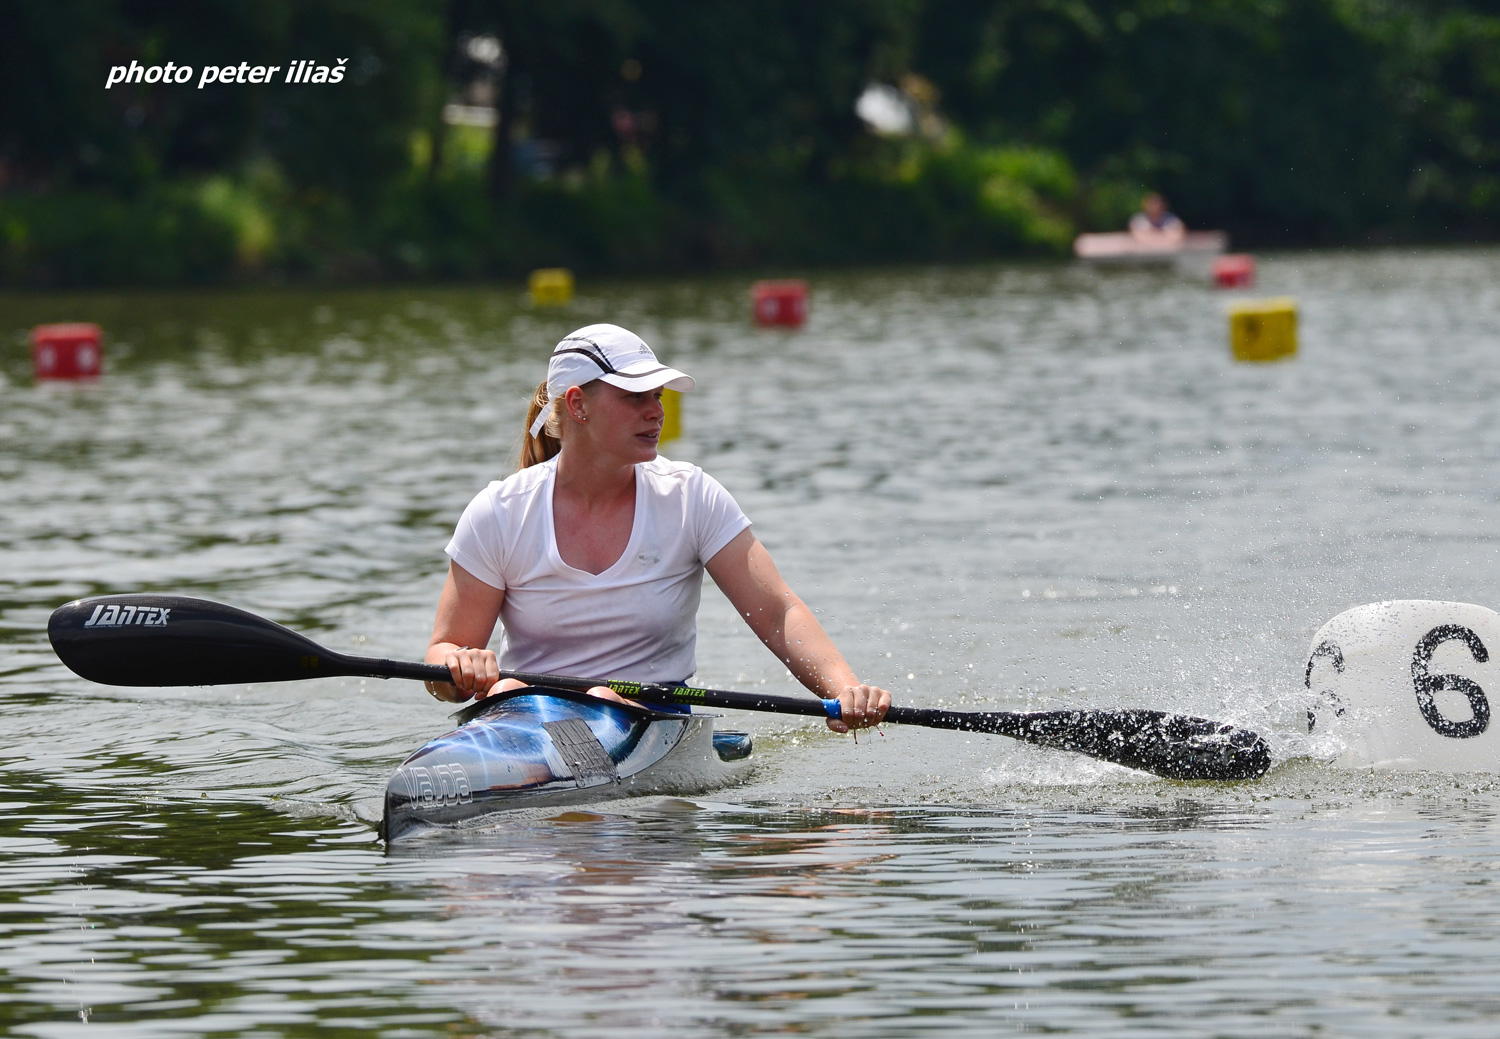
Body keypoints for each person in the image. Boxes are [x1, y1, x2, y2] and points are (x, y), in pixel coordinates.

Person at [423, 323, 891, 734]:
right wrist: (458, 666)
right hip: (523, 710)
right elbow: (444, 651)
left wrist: (843, 689)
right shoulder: (500, 511)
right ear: (578, 404)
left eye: (658, 396)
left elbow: (777, 612)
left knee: (602, 699)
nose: (657, 412)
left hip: (650, 712)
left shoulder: (690, 497)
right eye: (635, 397)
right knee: (505, 688)